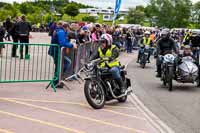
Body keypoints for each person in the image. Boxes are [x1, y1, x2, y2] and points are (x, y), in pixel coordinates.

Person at [49, 22, 77, 88]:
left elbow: (64, 41)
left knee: (61, 65)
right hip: (56, 51)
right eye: (68, 28)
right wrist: (72, 45)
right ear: (66, 27)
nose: (68, 30)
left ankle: (58, 80)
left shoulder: (61, 31)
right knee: (64, 64)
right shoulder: (61, 32)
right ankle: (56, 81)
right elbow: (62, 43)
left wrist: (69, 43)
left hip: (56, 51)